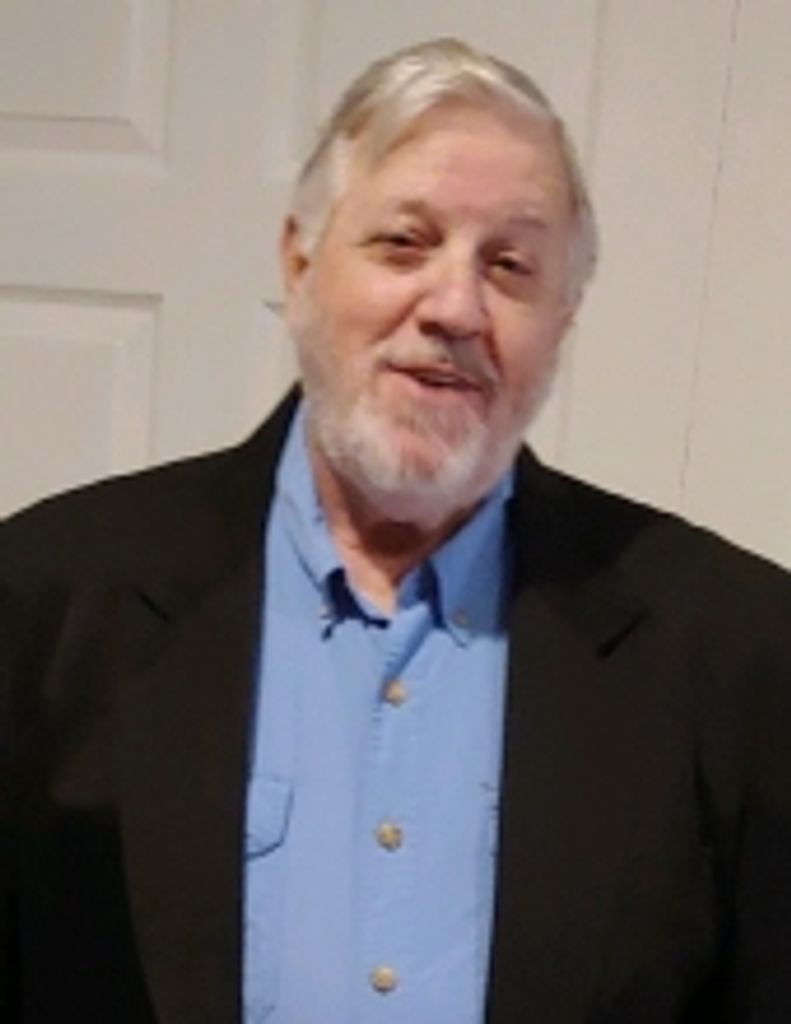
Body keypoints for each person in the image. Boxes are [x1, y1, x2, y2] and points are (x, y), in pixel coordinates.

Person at [1, 37, 790, 1024]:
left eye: (510, 266)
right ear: (298, 261)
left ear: (563, 318)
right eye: (403, 243)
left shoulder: (738, 652)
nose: (454, 306)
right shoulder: (44, 601)